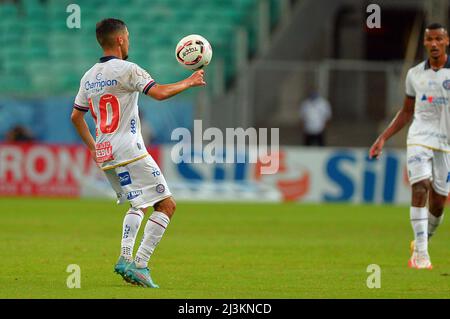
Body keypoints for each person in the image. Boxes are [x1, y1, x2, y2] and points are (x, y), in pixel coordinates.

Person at [70, 18, 206, 287]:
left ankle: (124, 258)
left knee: (138, 204)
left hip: (107, 154)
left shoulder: (88, 76)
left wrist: (95, 148)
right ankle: (141, 264)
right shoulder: (128, 70)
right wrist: (188, 82)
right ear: (120, 39)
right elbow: (159, 93)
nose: (129, 40)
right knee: (166, 205)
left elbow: (76, 117)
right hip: (130, 149)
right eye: (128, 36)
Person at [369, 23, 450, 270]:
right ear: (424, 43)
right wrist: (383, 137)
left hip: (445, 144)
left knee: (438, 201)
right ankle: (422, 256)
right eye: (429, 40)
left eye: (438, 39)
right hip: (419, 138)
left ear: (446, 42)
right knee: (420, 187)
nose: (434, 44)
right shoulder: (414, 74)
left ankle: (423, 241)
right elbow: (406, 112)